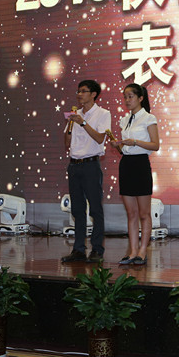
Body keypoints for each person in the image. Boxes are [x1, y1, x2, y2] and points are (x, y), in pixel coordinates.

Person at [61, 79, 112, 264]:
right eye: (78, 91)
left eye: (83, 91)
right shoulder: (75, 115)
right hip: (74, 165)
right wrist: (71, 124)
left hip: (90, 165)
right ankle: (78, 249)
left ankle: (97, 249)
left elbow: (99, 138)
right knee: (77, 209)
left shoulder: (103, 114)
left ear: (93, 94)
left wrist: (82, 123)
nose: (79, 94)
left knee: (95, 209)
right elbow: (67, 143)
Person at [110, 83, 161, 266]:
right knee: (131, 213)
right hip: (126, 164)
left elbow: (155, 145)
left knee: (144, 213)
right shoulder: (124, 120)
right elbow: (125, 148)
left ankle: (142, 252)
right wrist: (119, 145)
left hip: (141, 165)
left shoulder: (149, 118)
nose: (127, 100)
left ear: (140, 98)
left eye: (130, 96)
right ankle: (132, 252)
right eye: (125, 97)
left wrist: (135, 142)